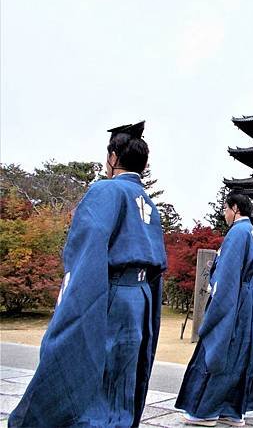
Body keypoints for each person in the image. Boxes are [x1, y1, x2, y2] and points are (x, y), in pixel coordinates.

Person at [9, 121, 167, 427]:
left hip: (109, 293)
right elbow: (157, 264)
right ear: (144, 164)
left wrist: (71, 305)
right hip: (140, 300)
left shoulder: (106, 190)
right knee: (122, 377)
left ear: (111, 157)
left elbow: (87, 248)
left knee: (84, 367)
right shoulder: (147, 202)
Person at [176, 192, 253, 427]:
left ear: (236, 208)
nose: (224, 214)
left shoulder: (237, 233)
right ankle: (232, 411)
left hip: (237, 298)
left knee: (223, 347)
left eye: (225, 209)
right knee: (244, 352)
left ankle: (205, 411)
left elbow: (227, 278)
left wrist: (217, 311)